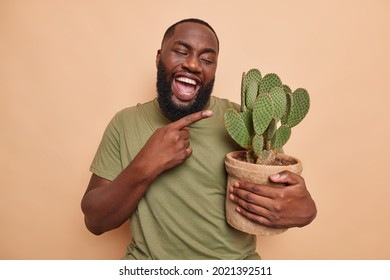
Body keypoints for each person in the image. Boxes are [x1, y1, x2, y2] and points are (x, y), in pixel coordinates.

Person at [81, 18, 317, 260]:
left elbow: (288, 200)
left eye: (206, 59)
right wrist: (147, 163)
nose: (193, 64)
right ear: (158, 57)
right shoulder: (125, 123)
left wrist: (306, 212)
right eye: (181, 52)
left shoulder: (247, 124)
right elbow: (95, 221)